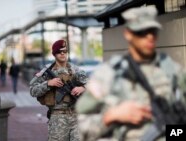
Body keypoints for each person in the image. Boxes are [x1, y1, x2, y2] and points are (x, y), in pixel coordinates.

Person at [76, 6, 186, 141]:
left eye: (153, 31)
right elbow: (83, 130)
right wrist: (111, 116)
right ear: (128, 34)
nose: (149, 37)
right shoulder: (107, 75)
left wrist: (172, 131)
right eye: (142, 32)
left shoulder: (174, 71)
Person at [29, 39, 88, 141]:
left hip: (76, 117)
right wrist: (48, 83)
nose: (62, 54)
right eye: (59, 52)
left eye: (65, 51)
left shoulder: (75, 70)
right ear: (54, 54)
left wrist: (82, 88)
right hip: (57, 118)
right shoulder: (47, 71)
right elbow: (32, 90)